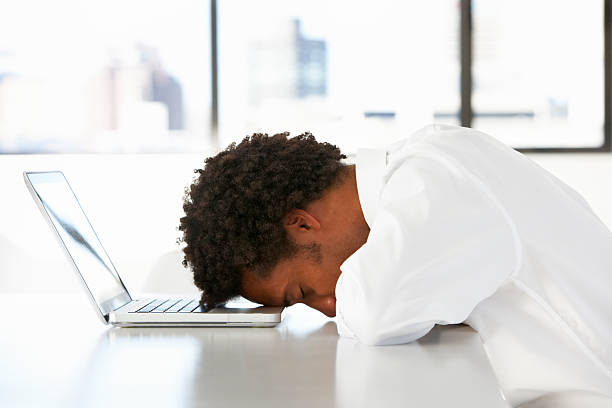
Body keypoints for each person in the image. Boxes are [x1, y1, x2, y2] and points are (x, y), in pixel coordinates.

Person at [179, 124, 612, 407]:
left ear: (300, 223)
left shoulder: (433, 180)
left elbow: (374, 313)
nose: (328, 307)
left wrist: (355, 304)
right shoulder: (422, 167)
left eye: (302, 293)